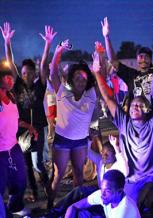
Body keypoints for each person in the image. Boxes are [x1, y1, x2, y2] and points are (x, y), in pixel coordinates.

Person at [93, 44, 153, 217]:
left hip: (152, 180)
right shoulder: (124, 122)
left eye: (140, 105)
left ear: (147, 109)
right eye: (133, 104)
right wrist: (97, 72)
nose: (135, 106)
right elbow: (107, 97)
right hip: (131, 180)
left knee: (144, 203)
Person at [1, 22, 53, 202]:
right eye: (24, 73)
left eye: (30, 73)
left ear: (34, 73)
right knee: (27, 165)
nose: (27, 75)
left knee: (38, 164)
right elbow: (11, 64)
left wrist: (47, 44)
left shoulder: (40, 86)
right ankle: (35, 193)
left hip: (38, 130)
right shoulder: (18, 86)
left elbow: (45, 63)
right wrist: (7, 42)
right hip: (21, 131)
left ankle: (49, 189)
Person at [48, 40, 98, 208]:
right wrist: (59, 50)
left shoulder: (90, 95)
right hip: (62, 141)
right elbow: (53, 71)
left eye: (84, 78)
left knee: (79, 173)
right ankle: (50, 204)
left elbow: (100, 74)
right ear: (71, 79)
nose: (81, 80)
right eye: (77, 77)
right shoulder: (63, 92)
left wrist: (99, 57)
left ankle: (76, 205)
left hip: (80, 142)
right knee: (58, 175)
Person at [0, 65, 29, 217]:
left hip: (13, 147)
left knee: (20, 181)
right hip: (1, 152)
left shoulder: (11, 97)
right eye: (7, 77)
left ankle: (15, 207)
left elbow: (14, 120)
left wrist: (29, 127)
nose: (11, 80)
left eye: (12, 77)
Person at [65, 170, 140, 218]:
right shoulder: (103, 195)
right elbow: (74, 206)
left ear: (119, 191)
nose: (102, 194)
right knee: (81, 213)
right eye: (101, 188)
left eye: (107, 191)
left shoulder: (124, 210)